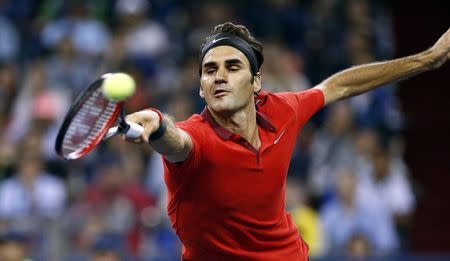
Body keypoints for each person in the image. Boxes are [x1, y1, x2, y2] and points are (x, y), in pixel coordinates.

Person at [124, 22, 450, 260]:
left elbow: (338, 87)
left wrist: (427, 58)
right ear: (201, 88)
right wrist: (156, 122)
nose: (219, 76)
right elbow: (175, 141)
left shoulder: (282, 110)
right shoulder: (197, 137)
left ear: (255, 83)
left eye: (232, 67)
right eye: (209, 71)